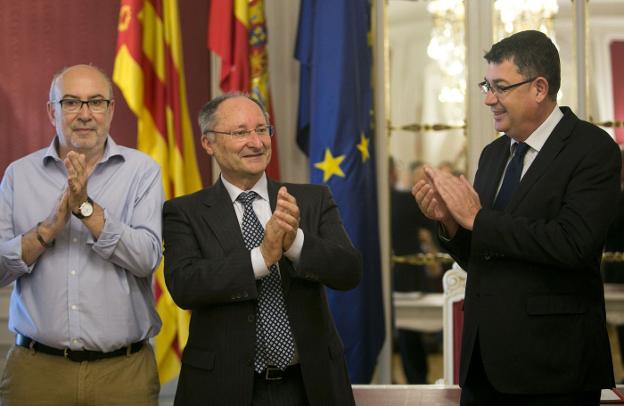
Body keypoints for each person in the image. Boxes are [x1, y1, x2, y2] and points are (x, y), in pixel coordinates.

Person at [413, 30, 620, 405]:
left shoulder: (592, 149)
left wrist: (476, 218)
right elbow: (483, 255)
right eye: (486, 86)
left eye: (501, 87)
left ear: (539, 88)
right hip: (482, 366)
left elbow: (574, 244)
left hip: (553, 367)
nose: (489, 99)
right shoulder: (494, 155)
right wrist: (449, 224)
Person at [163, 92, 361, 406]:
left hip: (310, 385)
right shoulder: (185, 212)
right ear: (208, 143)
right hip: (222, 388)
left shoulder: (311, 200)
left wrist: (294, 243)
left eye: (262, 129)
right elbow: (185, 286)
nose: (256, 142)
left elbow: (349, 271)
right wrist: (262, 257)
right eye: (240, 132)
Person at [0, 64, 163, 405]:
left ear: (111, 109)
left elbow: (146, 258)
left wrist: (86, 210)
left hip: (123, 373)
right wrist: (47, 230)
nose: (85, 114)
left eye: (96, 102)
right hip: (36, 372)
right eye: (71, 102)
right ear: (51, 111)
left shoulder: (142, 171)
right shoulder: (19, 175)